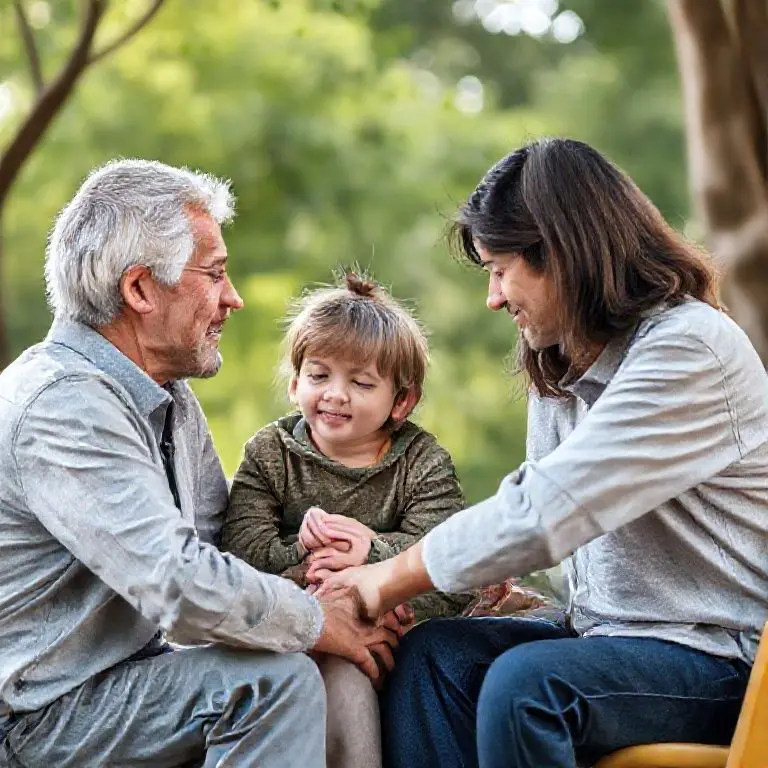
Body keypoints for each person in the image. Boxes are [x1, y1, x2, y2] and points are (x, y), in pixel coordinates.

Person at [317, 137, 768, 768]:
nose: (494, 297)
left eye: (501, 270)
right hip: (601, 638)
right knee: (432, 660)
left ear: (562, 255)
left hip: (719, 659)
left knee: (528, 688)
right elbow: (533, 512)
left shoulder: (692, 349)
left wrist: (381, 583)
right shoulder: (563, 366)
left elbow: (549, 511)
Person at [0, 159, 399, 768]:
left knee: (318, 658)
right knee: (271, 684)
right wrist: (318, 618)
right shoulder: (62, 405)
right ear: (139, 290)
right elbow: (180, 586)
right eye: (214, 275)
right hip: (35, 721)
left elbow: (228, 555)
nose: (232, 298)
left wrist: (354, 583)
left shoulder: (166, 400)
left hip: (116, 692)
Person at [221, 271, 473, 768]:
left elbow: (454, 567)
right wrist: (306, 555)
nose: (335, 394)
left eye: (360, 383)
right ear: (295, 384)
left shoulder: (422, 463)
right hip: (298, 632)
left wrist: (371, 555)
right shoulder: (271, 455)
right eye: (319, 376)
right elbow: (237, 554)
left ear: (402, 401)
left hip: (398, 637)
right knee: (337, 673)